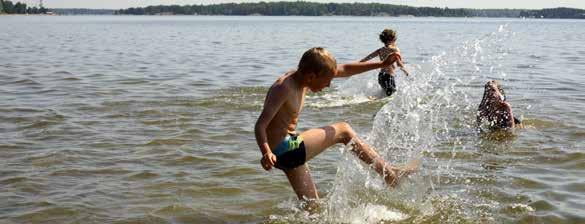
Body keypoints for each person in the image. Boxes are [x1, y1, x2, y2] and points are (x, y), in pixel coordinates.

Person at [254, 47, 418, 210]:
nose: (329, 85)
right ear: (312, 76)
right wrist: (266, 152)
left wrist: (382, 63)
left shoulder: (306, 76)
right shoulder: (283, 88)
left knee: (313, 208)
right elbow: (261, 124)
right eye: (327, 81)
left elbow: (346, 69)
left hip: (287, 153)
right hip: (284, 149)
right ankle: (390, 175)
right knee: (343, 130)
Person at [360, 28, 410, 97]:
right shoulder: (395, 49)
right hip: (388, 77)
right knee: (391, 93)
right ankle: (373, 99)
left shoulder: (380, 50)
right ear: (393, 39)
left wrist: (359, 63)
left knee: (386, 94)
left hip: (381, 76)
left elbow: (368, 57)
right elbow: (398, 63)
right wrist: (405, 70)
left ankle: (373, 98)